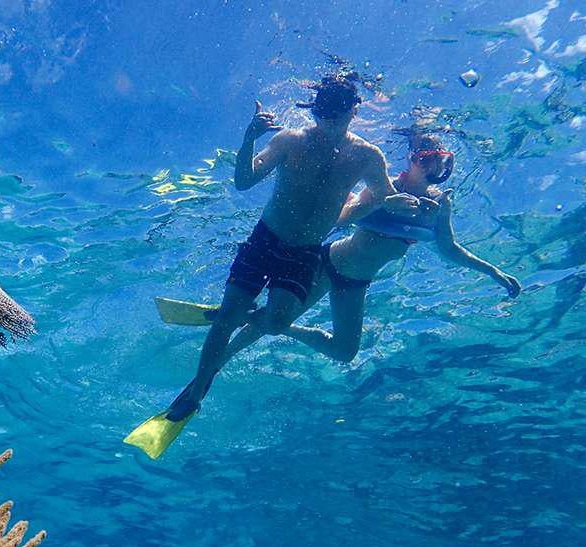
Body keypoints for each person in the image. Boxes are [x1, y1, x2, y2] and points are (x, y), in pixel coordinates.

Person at [124, 75, 423, 459]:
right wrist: (249, 137)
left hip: (305, 251)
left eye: (337, 117)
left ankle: (240, 315)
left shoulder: (367, 157)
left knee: (279, 323)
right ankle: (197, 390)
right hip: (266, 239)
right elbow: (244, 182)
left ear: (353, 112)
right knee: (227, 319)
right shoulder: (290, 141)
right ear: (316, 112)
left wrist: (406, 206)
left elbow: (384, 196)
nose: (329, 126)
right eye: (323, 116)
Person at [209, 132, 522, 368]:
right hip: (329, 263)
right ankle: (213, 368)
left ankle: (269, 320)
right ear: (416, 159)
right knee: (265, 328)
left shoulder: (440, 204)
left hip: (357, 281)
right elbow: (340, 217)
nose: (441, 168)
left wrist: (494, 273)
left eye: (446, 162)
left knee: (344, 352)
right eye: (435, 160)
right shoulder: (385, 187)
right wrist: (385, 204)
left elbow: (450, 249)